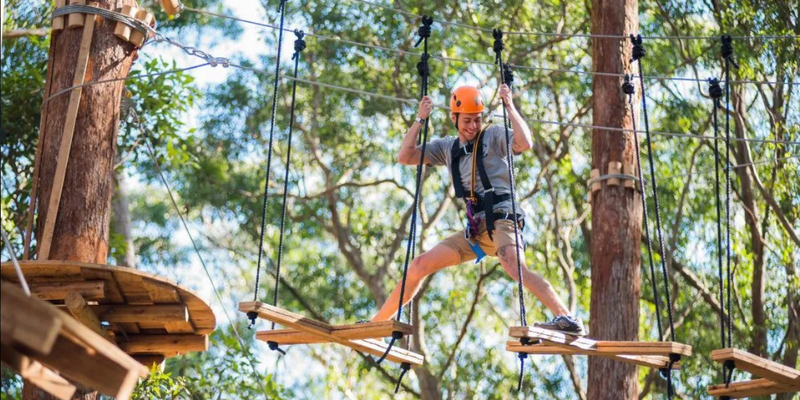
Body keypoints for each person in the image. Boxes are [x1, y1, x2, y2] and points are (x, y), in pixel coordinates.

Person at [371, 84, 586, 336]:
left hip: (502, 219)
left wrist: (510, 107)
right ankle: (376, 323)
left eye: (477, 119)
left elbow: (524, 142)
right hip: (476, 232)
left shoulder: (493, 136)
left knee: (514, 266)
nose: (473, 126)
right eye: (467, 121)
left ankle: (567, 318)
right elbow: (405, 157)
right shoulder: (446, 148)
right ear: (454, 118)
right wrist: (420, 119)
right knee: (419, 265)